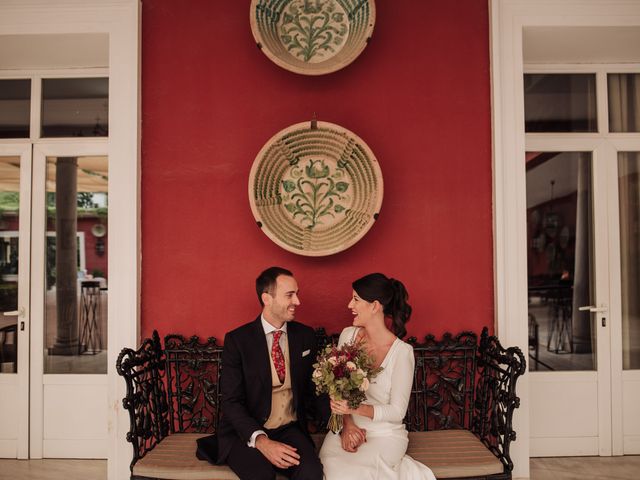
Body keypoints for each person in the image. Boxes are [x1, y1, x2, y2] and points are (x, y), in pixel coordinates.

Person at [197, 266, 327, 480]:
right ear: (267, 298)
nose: (297, 302)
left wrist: (341, 424)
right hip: (245, 433)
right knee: (261, 475)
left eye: (297, 294)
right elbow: (231, 402)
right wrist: (261, 441)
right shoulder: (238, 341)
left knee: (311, 473)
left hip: (289, 429)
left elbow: (314, 390)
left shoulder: (305, 336)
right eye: (290, 295)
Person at [318, 273, 437, 480]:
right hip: (348, 428)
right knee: (332, 468)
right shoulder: (349, 336)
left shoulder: (402, 353)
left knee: (360, 475)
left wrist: (355, 408)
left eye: (356, 299)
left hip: (384, 434)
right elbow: (338, 389)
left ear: (375, 306)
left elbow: (397, 411)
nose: (349, 305)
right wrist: (348, 425)